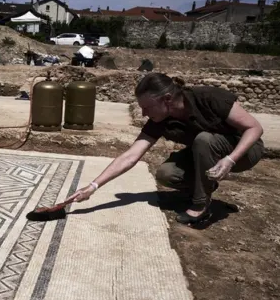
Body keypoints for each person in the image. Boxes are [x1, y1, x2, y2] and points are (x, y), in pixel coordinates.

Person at [67, 72, 265, 225]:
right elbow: (131, 155)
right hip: (206, 153)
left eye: (147, 107)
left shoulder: (209, 97)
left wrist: (230, 159)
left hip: (244, 150)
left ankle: (201, 205)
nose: (144, 113)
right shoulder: (160, 118)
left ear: (167, 99)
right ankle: (205, 186)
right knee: (166, 173)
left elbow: (255, 128)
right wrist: (92, 187)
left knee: (204, 140)